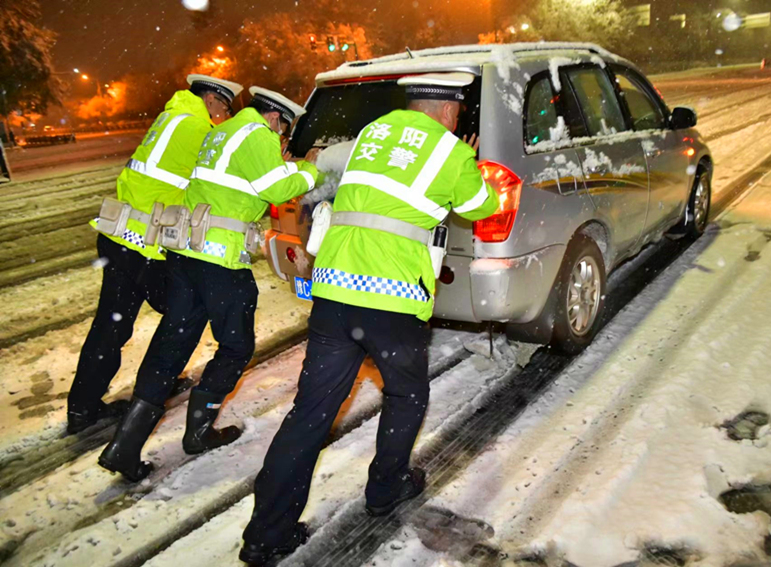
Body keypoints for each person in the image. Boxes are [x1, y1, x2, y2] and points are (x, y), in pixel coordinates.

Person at [239, 72, 499, 566]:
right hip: (393, 297)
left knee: (310, 414)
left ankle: (264, 535)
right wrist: (471, 161)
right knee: (406, 393)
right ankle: (386, 487)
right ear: (447, 113)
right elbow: (479, 205)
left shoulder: (372, 136)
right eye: (458, 113)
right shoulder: (450, 151)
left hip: (334, 293)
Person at [98, 87, 322, 482]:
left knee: (173, 343)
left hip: (186, 255)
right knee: (236, 346)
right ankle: (198, 432)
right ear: (275, 119)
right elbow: (276, 190)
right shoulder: (256, 134)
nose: (282, 141)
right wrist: (310, 168)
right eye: (283, 133)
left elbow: (245, 181)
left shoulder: (222, 132)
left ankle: (124, 445)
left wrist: (282, 166)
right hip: (218, 260)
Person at [66, 74, 243, 435]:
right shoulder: (196, 127)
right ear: (211, 99)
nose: (222, 116)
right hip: (146, 245)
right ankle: (156, 383)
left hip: (120, 236)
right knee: (185, 312)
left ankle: (82, 407)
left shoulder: (172, 115)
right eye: (223, 108)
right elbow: (220, 174)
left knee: (111, 325)